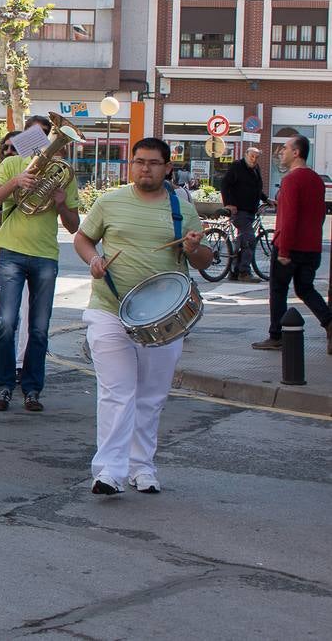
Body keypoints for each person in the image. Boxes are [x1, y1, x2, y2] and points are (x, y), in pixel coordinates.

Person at [73, 138, 211, 494]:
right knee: (116, 392)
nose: (144, 168)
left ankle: (142, 466)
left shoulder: (181, 209)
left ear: (168, 167)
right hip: (109, 309)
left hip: (163, 317)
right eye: (138, 162)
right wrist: (93, 260)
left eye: (152, 163)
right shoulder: (109, 202)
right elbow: (83, 238)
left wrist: (194, 249)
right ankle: (109, 472)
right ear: (130, 165)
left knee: (150, 397)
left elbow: (205, 260)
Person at [0, 114, 81, 412]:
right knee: (6, 323)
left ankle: (33, 389)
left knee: (39, 327)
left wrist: (62, 203)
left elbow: (74, 226)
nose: (45, 144)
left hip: (45, 254)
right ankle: (3, 386)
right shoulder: (11, 164)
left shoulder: (64, 172)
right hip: (11, 250)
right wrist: (16, 182)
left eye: (50, 137)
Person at [253, 133, 332, 350]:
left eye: (285, 148)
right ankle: (329, 322)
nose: (281, 153)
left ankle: (277, 335)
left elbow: (287, 219)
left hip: (290, 246)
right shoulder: (316, 179)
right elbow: (320, 214)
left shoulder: (291, 180)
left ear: (296, 153)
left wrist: (284, 251)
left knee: (278, 290)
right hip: (311, 247)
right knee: (305, 289)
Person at [0, 132, 30, 378]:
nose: (10, 152)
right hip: (1, 248)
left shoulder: (29, 173)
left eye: (15, 148)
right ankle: (6, 362)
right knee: (4, 316)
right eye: (6, 148)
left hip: (30, 249)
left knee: (27, 313)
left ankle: (22, 363)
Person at [220, 146, 270, 283]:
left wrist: (266, 199)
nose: (254, 159)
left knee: (242, 240)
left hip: (249, 210)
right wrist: (228, 204)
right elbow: (225, 184)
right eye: (251, 156)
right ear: (246, 155)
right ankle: (244, 272)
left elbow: (256, 188)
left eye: (256, 157)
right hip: (239, 210)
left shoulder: (256, 169)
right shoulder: (237, 166)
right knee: (249, 240)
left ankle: (235, 271)